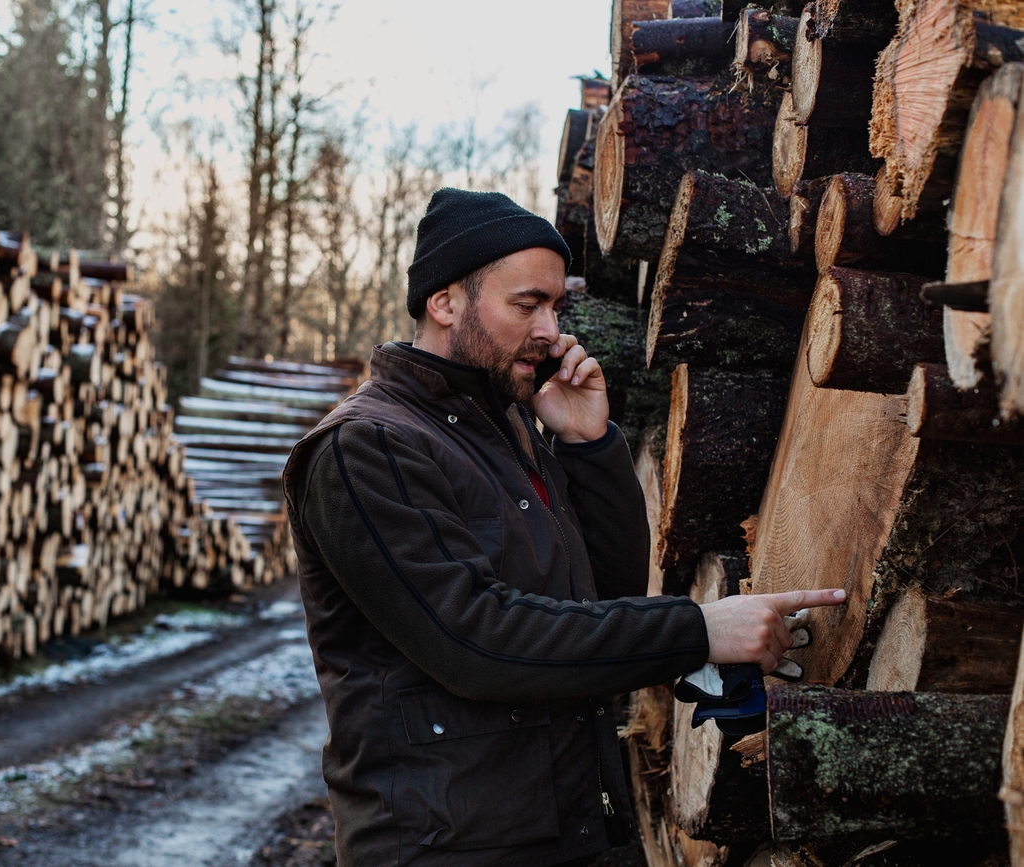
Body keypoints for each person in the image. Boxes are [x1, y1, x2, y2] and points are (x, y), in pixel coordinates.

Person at [282, 188, 843, 867]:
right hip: (446, 849)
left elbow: (601, 604)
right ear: (444, 301)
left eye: (555, 305)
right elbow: (476, 640)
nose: (552, 329)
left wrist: (588, 443)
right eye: (528, 304)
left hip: (572, 831)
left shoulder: (508, 429)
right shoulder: (365, 448)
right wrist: (697, 629)